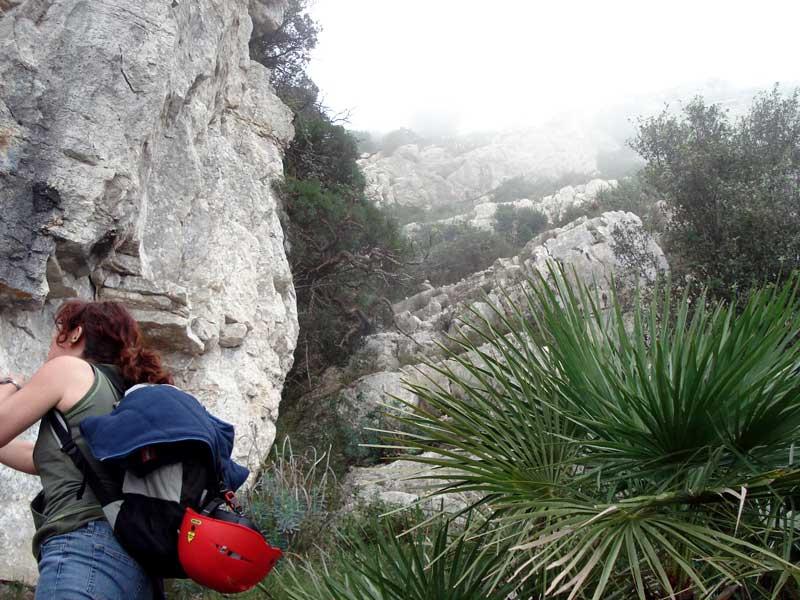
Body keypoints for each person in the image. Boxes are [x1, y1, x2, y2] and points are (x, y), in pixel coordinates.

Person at [0, 300, 173, 599]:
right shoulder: (120, 392)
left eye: (57, 332)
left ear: (75, 334)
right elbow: (43, 459)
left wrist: (12, 382)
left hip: (84, 550)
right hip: (138, 568)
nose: (50, 345)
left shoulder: (68, 369)